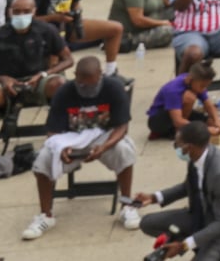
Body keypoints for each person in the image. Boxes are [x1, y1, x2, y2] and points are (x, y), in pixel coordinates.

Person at [23, 55, 142, 240]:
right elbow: (53, 131)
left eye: (92, 85)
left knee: (124, 150)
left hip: (103, 136)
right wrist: (61, 148)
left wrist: (104, 146)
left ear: (100, 76)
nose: (86, 89)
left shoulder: (114, 88)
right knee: (43, 159)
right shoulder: (64, 92)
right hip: (72, 138)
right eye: (82, 84)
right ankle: (45, 215)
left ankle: (127, 205)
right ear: (75, 76)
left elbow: (122, 127)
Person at [0, 0, 71, 190]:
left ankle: (61, 143)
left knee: (61, 86)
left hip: (37, 81)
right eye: (17, 11)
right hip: (6, 84)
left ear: (34, 11)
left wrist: (45, 73)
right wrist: (2, 79)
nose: (21, 16)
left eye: (26, 12)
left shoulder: (46, 30)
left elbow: (68, 59)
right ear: (9, 12)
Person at [130, 119, 220, 261]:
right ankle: (197, 241)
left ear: (188, 147)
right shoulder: (198, 155)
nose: (177, 149)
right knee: (148, 223)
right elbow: (189, 186)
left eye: (177, 145)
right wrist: (154, 197)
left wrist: (184, 245)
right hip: (203, 215)